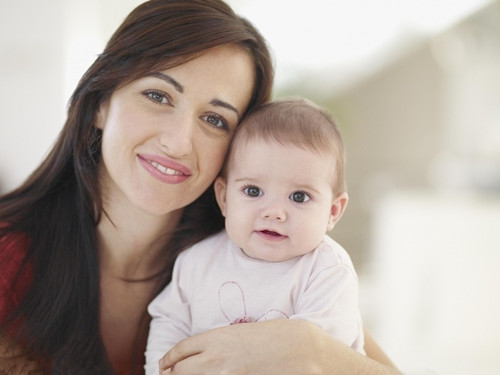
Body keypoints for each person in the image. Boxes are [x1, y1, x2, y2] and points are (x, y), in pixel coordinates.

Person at [0, 0, 401, 374]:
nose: (177, 142)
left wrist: (314, 350)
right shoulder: (10, 260)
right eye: (157, 96)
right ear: (101, 103)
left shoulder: (264, 254)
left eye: (215, 120)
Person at [145, 98, 364, 375]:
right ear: (224, 198)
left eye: (299, 197)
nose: (274, 212)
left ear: (333, 211)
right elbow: (170, 322)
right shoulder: (197, 261)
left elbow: (312, 357)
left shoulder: (327, 270)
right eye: (253, 191)